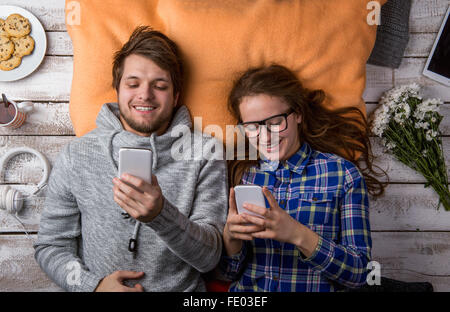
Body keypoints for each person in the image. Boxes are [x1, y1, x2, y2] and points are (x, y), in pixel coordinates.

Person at [33, 26, 228, 292]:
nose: (145, 95)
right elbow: (51, 247)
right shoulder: (77, 155)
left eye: (160, 86)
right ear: (117, 89)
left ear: (176, 96)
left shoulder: (206, 152)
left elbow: (209, 258)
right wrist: (95, 287)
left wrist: (161, 215)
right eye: (133, 84)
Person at [219, 64, 385, 292]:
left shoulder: (342, 174)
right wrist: (230, 238)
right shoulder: (241, 176)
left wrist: (298, 234)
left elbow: (362, 274)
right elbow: (228, 273)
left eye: (275, 122)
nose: (265, 137)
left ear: (297, 114)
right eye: (252, 126)